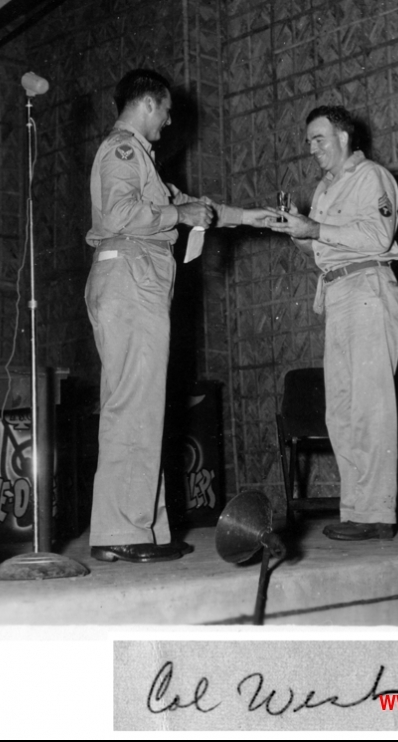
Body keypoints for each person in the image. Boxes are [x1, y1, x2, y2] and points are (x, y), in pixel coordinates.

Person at [85, 68, 266, 563]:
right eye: (165, 112)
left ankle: (145, 528)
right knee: (131, 405)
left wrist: (252, 218)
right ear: (149, 103)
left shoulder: (142, 161)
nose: (167, 123)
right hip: (130, 278)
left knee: (144, 407)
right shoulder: (122, 150)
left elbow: (194, 208)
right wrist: (177, 217)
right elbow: (122, 214)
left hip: (136, 281)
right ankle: (120, 530)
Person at [268, 106, 398, 540]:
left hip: (368, 288)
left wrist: (316, 227)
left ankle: (378, 512)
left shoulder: (371, 178)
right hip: (338, 293)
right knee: (341, 410)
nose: (312, 148)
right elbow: (322, 248)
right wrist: (299, 233)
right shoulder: (326, 188)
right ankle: (357, 511)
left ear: (344, 138)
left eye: (319, 139)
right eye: (309, 141)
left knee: (370, 406)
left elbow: (377, 238)